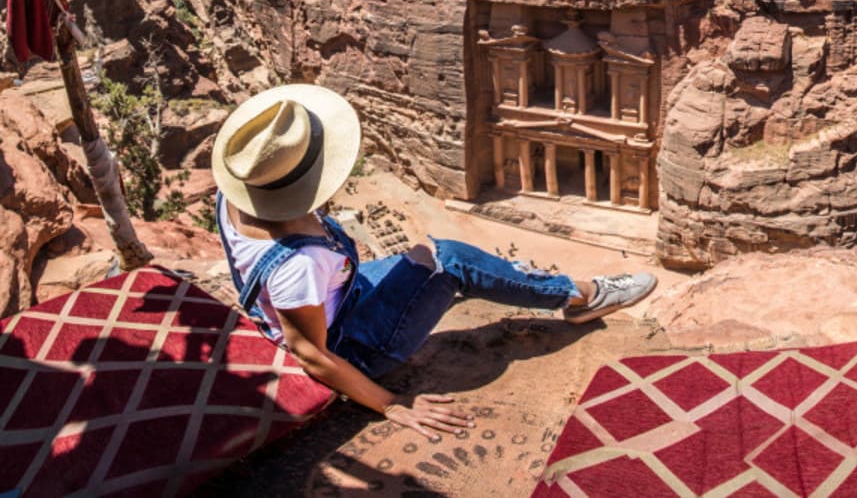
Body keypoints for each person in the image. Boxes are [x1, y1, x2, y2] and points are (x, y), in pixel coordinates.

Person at [212, 84, 656, 442]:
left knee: (421, 258)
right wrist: (391, 404)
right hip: (351, 345)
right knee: (448, 260)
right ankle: (579, 296)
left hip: (338, 297)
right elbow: (311, 353)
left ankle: (552, 289)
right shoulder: (301, 264)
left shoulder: (232, 196)